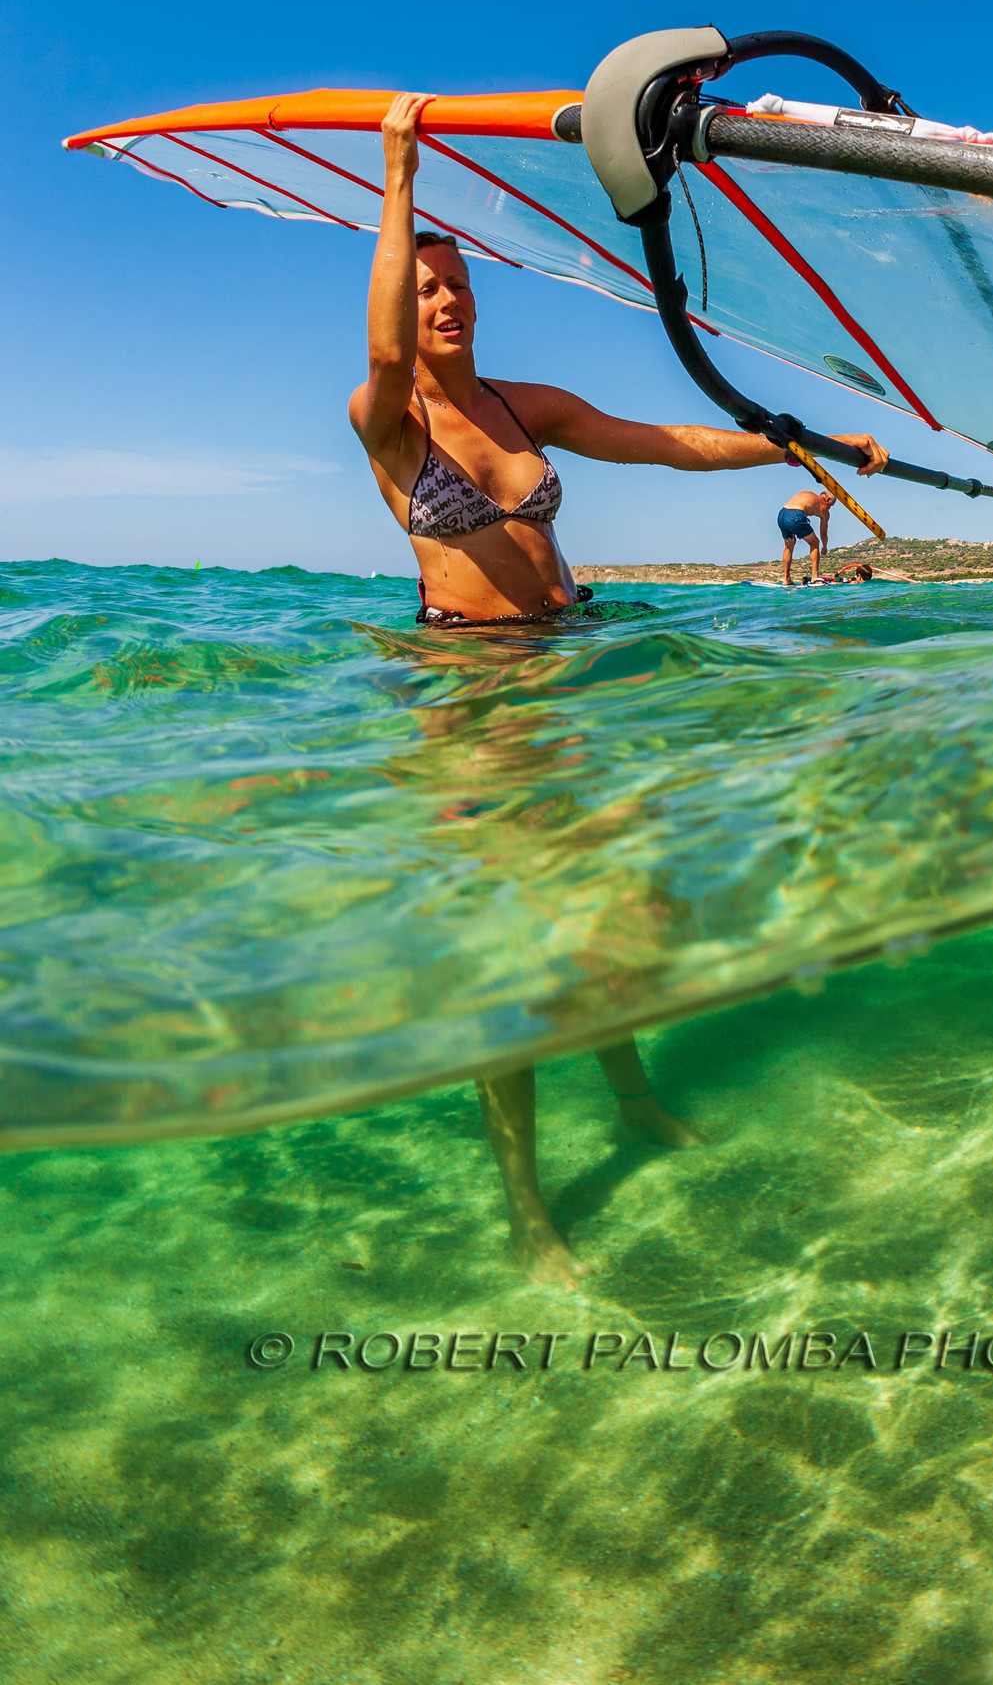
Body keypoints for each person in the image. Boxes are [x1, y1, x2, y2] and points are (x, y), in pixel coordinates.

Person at [349, 93, 887, 1281]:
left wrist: (801, 443)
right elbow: (384, 351)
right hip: (465, 687)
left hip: (565, 659)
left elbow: (660, 439)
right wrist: (397, 168)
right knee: (512, 953)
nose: (442, 299)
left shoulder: (520, 405)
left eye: (455, 284)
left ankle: (635, 1098)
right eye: (422, 283)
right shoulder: (389, 421)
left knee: (618, 904)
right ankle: (529, 1207)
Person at [778, 486, 834, 586]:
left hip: (782, 514)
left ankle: (786, 579)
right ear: (827, 499)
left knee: (789, 545)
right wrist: (824, 546)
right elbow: (824, 532)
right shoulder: (824, 508)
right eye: (831, 505)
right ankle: (814, 577)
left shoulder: (807, 493)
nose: (829, 508)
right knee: (815, 543)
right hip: (795, 515)